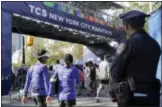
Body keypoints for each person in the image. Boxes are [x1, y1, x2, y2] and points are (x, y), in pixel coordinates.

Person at [109, 10, 161, 107]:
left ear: (127, 26)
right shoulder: (155, 44)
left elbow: (115, 72)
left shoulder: (129, 44)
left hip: (132, 98)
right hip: (152, 97)